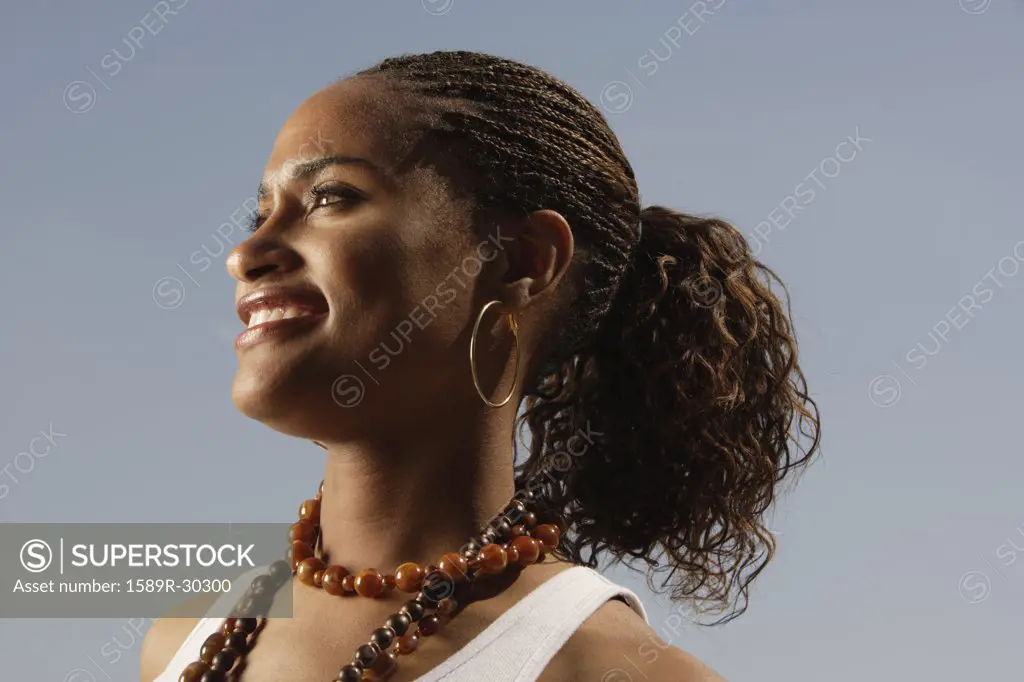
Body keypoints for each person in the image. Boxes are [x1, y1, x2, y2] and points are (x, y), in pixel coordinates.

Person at [140, 50, 819, 682]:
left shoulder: (618, 670)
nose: (245, 254)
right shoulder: (186, 639)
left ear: (523, 260)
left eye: (330, 197)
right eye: (260, 213)